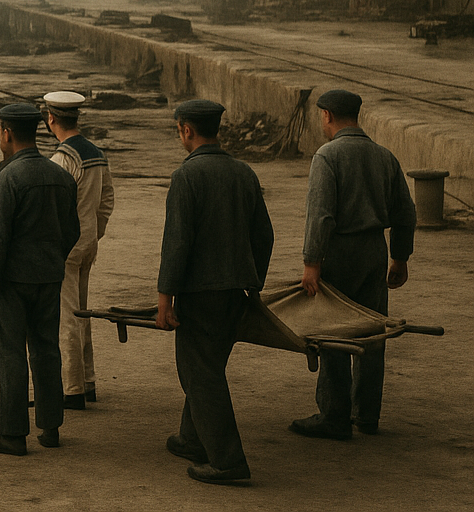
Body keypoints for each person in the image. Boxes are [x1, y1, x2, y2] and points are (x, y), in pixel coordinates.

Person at [156, 99, 274, 486]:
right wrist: (252, 283)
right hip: (235, 292)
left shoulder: (186, 177)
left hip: (200, 293)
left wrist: (165, 299)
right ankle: (192, 439)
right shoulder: (243, 172)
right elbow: (264, 236)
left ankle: (227, 460)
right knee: (207, 366)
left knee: (199, 373)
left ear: (186, 130)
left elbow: (177, 243)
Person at [289, 89, 416, 440]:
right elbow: (406, 213)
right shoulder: (384, 156)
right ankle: (367, 414)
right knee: (372, 331)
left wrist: (311, 263)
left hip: (340, 253)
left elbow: (321, 216)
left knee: (333, 332)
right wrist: (400, 257)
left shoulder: (327, 156)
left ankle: (334, 415)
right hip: (374, 251)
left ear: (327, 115)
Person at [0, 102, 80, 456]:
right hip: (49, 278)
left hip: (12, 281)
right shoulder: (61, 176)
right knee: (46, 350)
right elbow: (72, 231)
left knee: (7, 353)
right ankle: (50, 427)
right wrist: (52, 260)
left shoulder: (8, 177)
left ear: (7, 133)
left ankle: (10, 432)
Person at [44, 90, 115, 409]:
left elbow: (53, 209)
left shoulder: (61, 160)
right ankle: (88, 381)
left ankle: (71, 389)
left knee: (66, 318)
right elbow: (107, 199)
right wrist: (95, 232)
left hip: (66, 247)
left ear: (51, 119)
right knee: (81, 312)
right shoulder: (96, 152)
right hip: (87, 243)